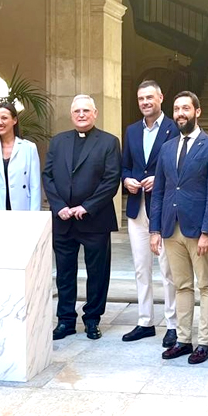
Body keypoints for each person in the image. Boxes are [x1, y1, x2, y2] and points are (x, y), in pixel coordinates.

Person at [149, 91, 208, 365]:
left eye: (186, 108)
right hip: (171, 228)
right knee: (181, 285)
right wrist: (154, 229)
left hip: (198, 230)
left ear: (197, 111)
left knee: (206, 285)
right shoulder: (167, 148)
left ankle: (204, 342)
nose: (181, 113)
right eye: (176, 108)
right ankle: (183, 339)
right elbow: (159, 190)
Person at [43, 95, 121, 341]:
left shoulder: (109, 142)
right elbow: (48, 177)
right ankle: (65, 320)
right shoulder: (58, 142)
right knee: (64, 273)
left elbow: (111, 180)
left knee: (97, 273)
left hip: (94, 220)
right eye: (77, 111)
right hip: (64, 220)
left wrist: (86, 207)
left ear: (95, 113)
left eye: (86, 110)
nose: (81, 114)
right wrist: (59, 207)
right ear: (71, 114)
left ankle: (92, 319)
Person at [120, 81, 178, 347]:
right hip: (137, 206)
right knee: (141, 268)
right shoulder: (132, 130)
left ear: (161, 98)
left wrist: (161, 179)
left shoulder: (174, 128)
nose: (145, 102)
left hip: (165, 208)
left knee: (168, 268)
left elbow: (182, 167)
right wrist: (127, 180)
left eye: (150, 97)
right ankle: (145, 321)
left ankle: (173, 324)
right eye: (141, 98)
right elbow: (126, 166)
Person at [0, 101, 41, 218]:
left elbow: (34, 186)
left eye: (4, 118)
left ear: (14, 120)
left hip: (21, 209)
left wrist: (34, 215)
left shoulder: (29, 148)